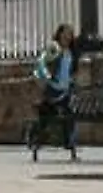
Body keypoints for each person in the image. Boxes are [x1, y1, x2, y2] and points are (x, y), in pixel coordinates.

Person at [30, 23, 78, 157]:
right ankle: (37, 140)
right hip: (53, 88)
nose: (69, 36)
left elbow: (70, 70)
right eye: (67, 32)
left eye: (71, 33)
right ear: (60, 33)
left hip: (65, 89)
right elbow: (41, 62)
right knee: (47, 118)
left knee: (70, 115)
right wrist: (47, 77)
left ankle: (70, 144)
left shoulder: (70, 51)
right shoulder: (54, 47)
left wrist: (71, 80)